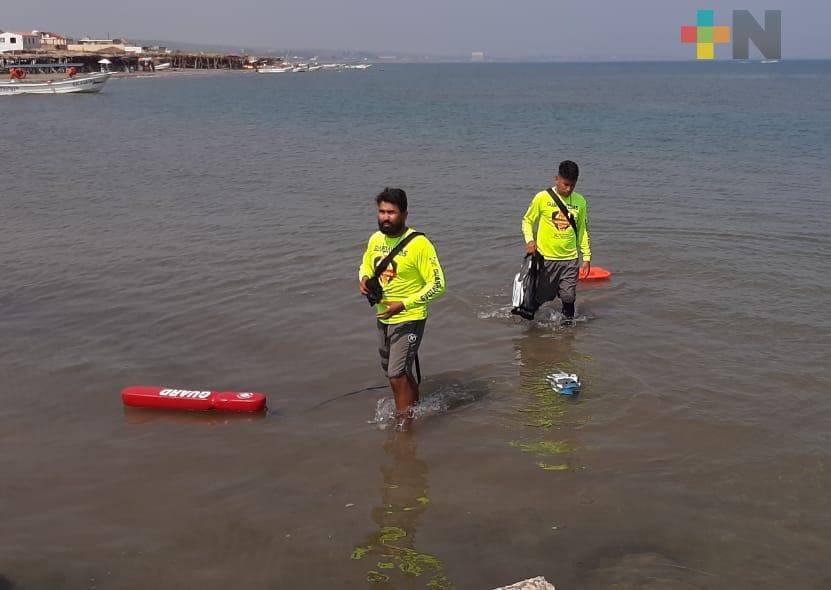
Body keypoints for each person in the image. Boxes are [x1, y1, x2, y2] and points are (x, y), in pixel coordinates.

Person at [359, 188, 446, 431]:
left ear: (405, 214)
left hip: (410, 317)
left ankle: (404, 423)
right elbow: (365, 264)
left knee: (396, 373)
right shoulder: (375, 239)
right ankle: (414, 406)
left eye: (391, 212)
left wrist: (404, 304)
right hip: (382, 316)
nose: (385, 217)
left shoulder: (420, 245)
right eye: (382, 212)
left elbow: (438, 285)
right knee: (392, 370)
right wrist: (364, 278)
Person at [520, 160, 591, 321]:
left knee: (568, 296)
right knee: (538, 299)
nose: (568, 189)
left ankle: (567, 331)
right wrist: (530, 241)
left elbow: (583, 230)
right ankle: (530, 332)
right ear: (556, 179)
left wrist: (586, 257)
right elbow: (527, 221)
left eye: (572, 185)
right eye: (565, 184)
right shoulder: (542, 198)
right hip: (545, 259)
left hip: (570, 259)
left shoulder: (580, 202)